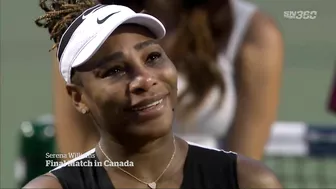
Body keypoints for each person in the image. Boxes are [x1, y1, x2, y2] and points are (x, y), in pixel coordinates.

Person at [26, 3, 282, 189]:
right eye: (114, 70)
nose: (145, 79)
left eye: (153, 57)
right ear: (78, 98)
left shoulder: (250, 180)